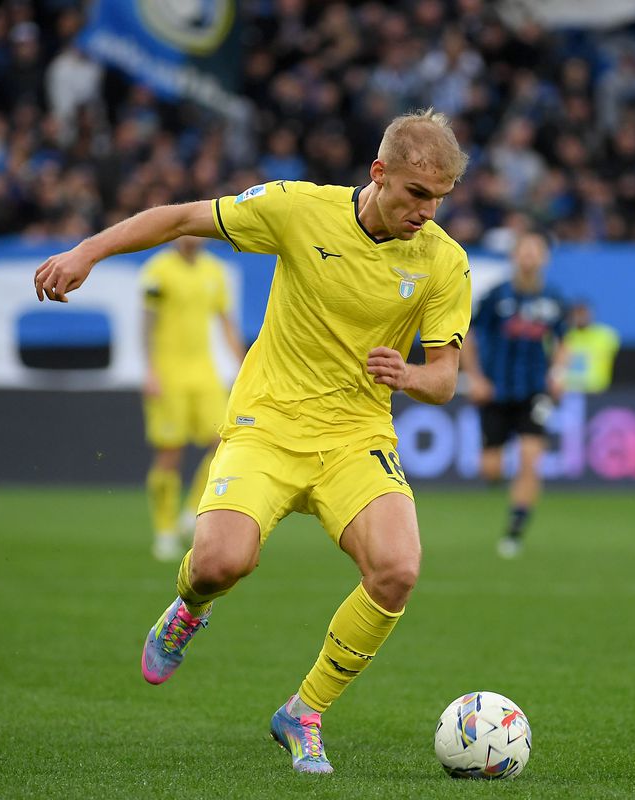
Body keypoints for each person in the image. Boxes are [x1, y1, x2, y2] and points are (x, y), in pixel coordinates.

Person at [34, 109, 471, 775]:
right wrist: (85, 251)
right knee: (219, 563)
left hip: (356, 437)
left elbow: (444, 378)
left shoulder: (443, 260)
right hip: (267, 424)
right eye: (416, 193)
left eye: (439, 198)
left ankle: (305, 711)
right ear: (378, 174)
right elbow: (181, 219)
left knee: (398, 569)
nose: (427, 210)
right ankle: (188, 608)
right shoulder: (297, 208)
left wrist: (409, 375)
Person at [460, 231, 567, 558]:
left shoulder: (554, 299)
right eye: (524, 250)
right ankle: (505, 487)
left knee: (529, 459)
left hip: (534, 390)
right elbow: (466, 334)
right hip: (495, 390)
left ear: (544, 257)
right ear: (514, 256)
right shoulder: (495, 296)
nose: (530, 256)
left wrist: (558, 374)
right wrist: (475, 378)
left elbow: (565, 342)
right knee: (490, 468)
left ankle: (516, 528)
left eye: (536, 250)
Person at [139, 236, 245, 562]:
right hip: (169, 374)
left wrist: (242, 365)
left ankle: (191, 511)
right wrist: (150, 370)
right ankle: (165, 531)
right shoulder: (158, 270)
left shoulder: (215, 271)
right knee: (170, 451)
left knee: (225, 441)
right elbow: (146, 323)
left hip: (205, 374)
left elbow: (226, 323)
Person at [562, 299, 620, 394]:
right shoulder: (563, 335)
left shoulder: (606, 335)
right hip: (568, 391)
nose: (581, 317)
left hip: (597, 391)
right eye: (577, 313)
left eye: (584, 313)